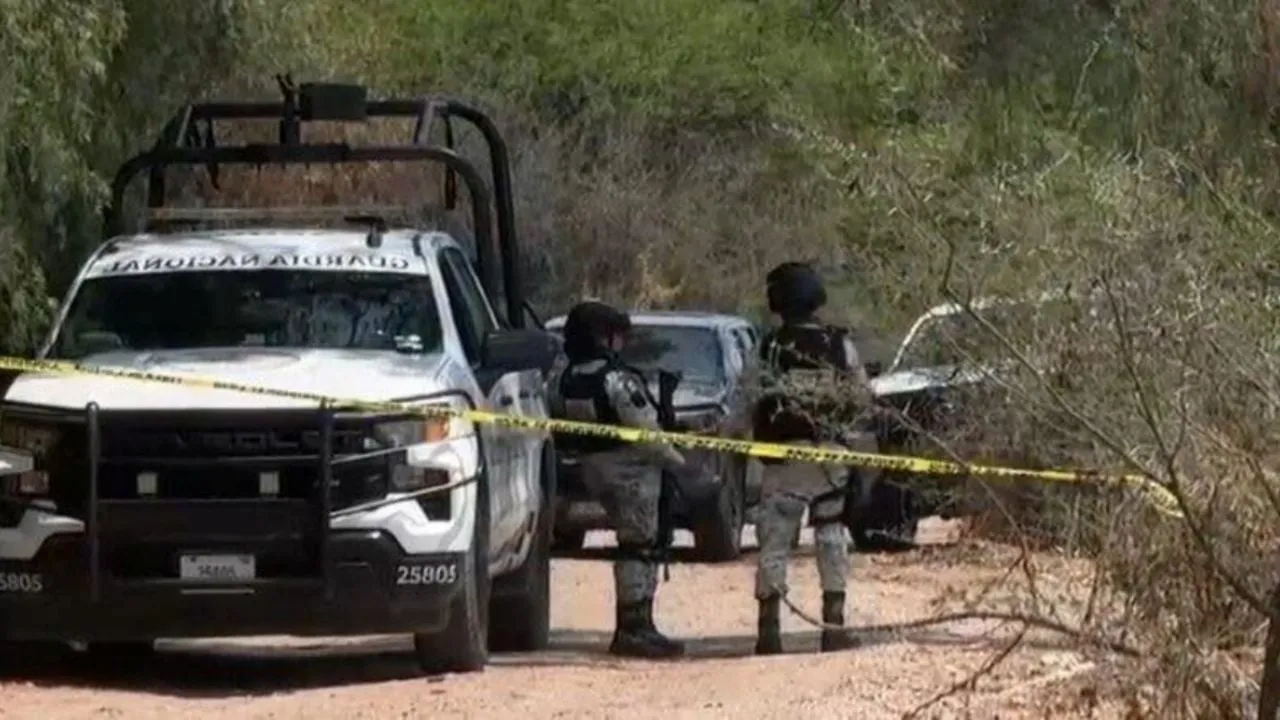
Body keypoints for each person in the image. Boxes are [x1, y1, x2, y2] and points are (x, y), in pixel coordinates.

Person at [749, 261, 879, 654]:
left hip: (781, 461)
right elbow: (861, 400)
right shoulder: (839, 346)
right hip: (828, 459)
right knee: (830, 536)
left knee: (774, 541)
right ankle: (833, 626)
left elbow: (748, 397)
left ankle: (768, 631)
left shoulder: (768, 347)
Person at [551, 300, 687, 659]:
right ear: (605, 338)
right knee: (640, 547)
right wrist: (680, 464)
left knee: (634, 546)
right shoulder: (618, 380)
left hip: (588, 468)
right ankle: (635, 628)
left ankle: (636, 627)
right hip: (632, 472)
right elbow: (646, 433)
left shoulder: (563, 378)